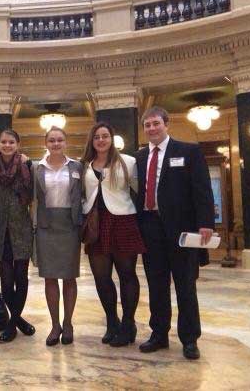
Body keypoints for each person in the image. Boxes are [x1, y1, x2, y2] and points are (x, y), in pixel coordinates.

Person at [135, 107, 214, 360]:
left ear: (166, 124)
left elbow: (202, 190)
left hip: (182, 229)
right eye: (147, 125)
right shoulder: (139, 157)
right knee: (156, 285)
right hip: (150, 227)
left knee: (185, 285)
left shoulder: (188, 151)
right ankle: (159, 334)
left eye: (156, 123)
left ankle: (190, 339)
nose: (151, 129)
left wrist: (205, 222)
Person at [81, 122, 146, 347]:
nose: (101, 140)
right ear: (92, 140)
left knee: (127, 274)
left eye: (105, 136)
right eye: (96, 136)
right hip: (96, 224)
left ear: (112, 138)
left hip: (123, 220)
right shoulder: (85, 166)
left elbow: (139, 190)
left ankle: (129, 324)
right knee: (101, 278)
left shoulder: (128, 162)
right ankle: (112, 322)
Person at [0, 129, 36, 343]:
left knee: (21, 277)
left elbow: (35, 194)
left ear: (18, 144)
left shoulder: (27, 165)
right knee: (6, 280)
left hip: (21, 227)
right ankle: (18, 321)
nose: (7, 145)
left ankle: (12, 324)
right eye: (3, 142)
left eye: (11, 142)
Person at [34, 126, 83, 346]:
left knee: (69, 276)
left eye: (59, 140)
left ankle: (68, 323)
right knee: (50, 277)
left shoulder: (77, 166)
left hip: (70, 225)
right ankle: (55, 325)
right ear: (46, 143)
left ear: (66, 142)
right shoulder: (37, 168)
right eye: (51, 140)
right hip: (46, 226)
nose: (55, 144)